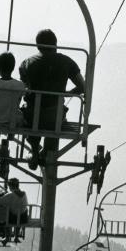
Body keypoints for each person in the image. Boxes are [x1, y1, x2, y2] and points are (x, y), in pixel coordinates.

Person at [19, 29, 85, 168]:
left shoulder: (26, 63)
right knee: (56, 121)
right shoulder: (67, 61)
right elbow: (83, 87)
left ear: (38, 45)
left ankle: (35, 150)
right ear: (55, 44)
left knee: (29, 114)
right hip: (54, 117)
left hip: (31, 116)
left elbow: (23, 90)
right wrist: (66, 93)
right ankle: (46, 151)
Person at [0, 178, 29, 244]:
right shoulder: (24, 193)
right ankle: (16, 236)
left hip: (13, 219)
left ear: (11, 186)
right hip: (23, 219)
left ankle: (7, 237)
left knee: (7, 213)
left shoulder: (10, 195)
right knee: (22, 212)